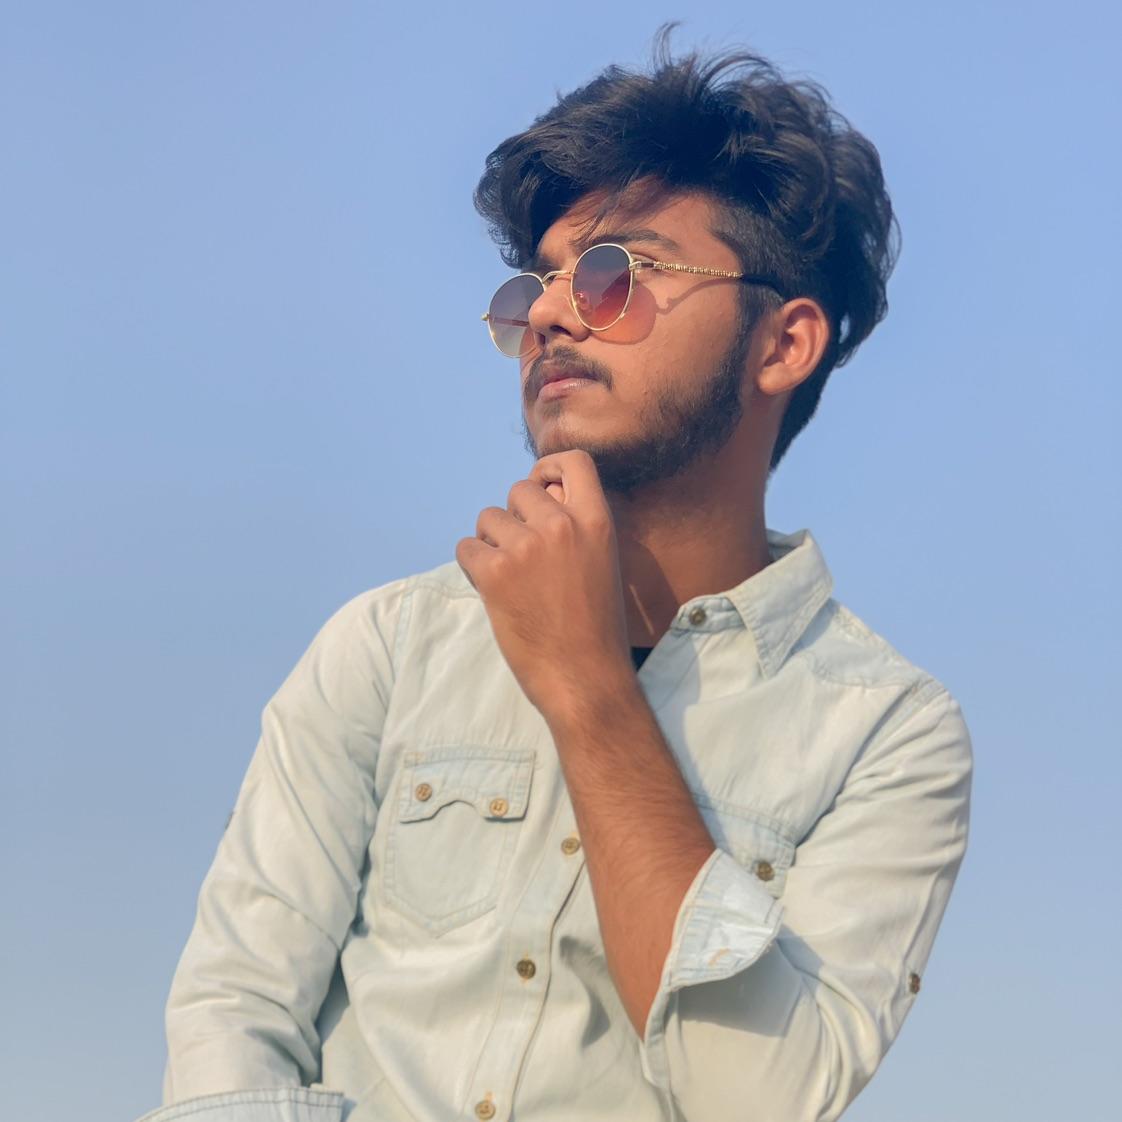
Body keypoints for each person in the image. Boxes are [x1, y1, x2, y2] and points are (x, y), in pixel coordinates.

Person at [143, 33, 972, 1122]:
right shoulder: (389, 647)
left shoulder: (887, 734)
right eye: (535, 284)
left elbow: (755, 1099)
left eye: (616, 275)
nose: (547, 312)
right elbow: (234, 1017)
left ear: (782, 345)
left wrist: (589, 693)